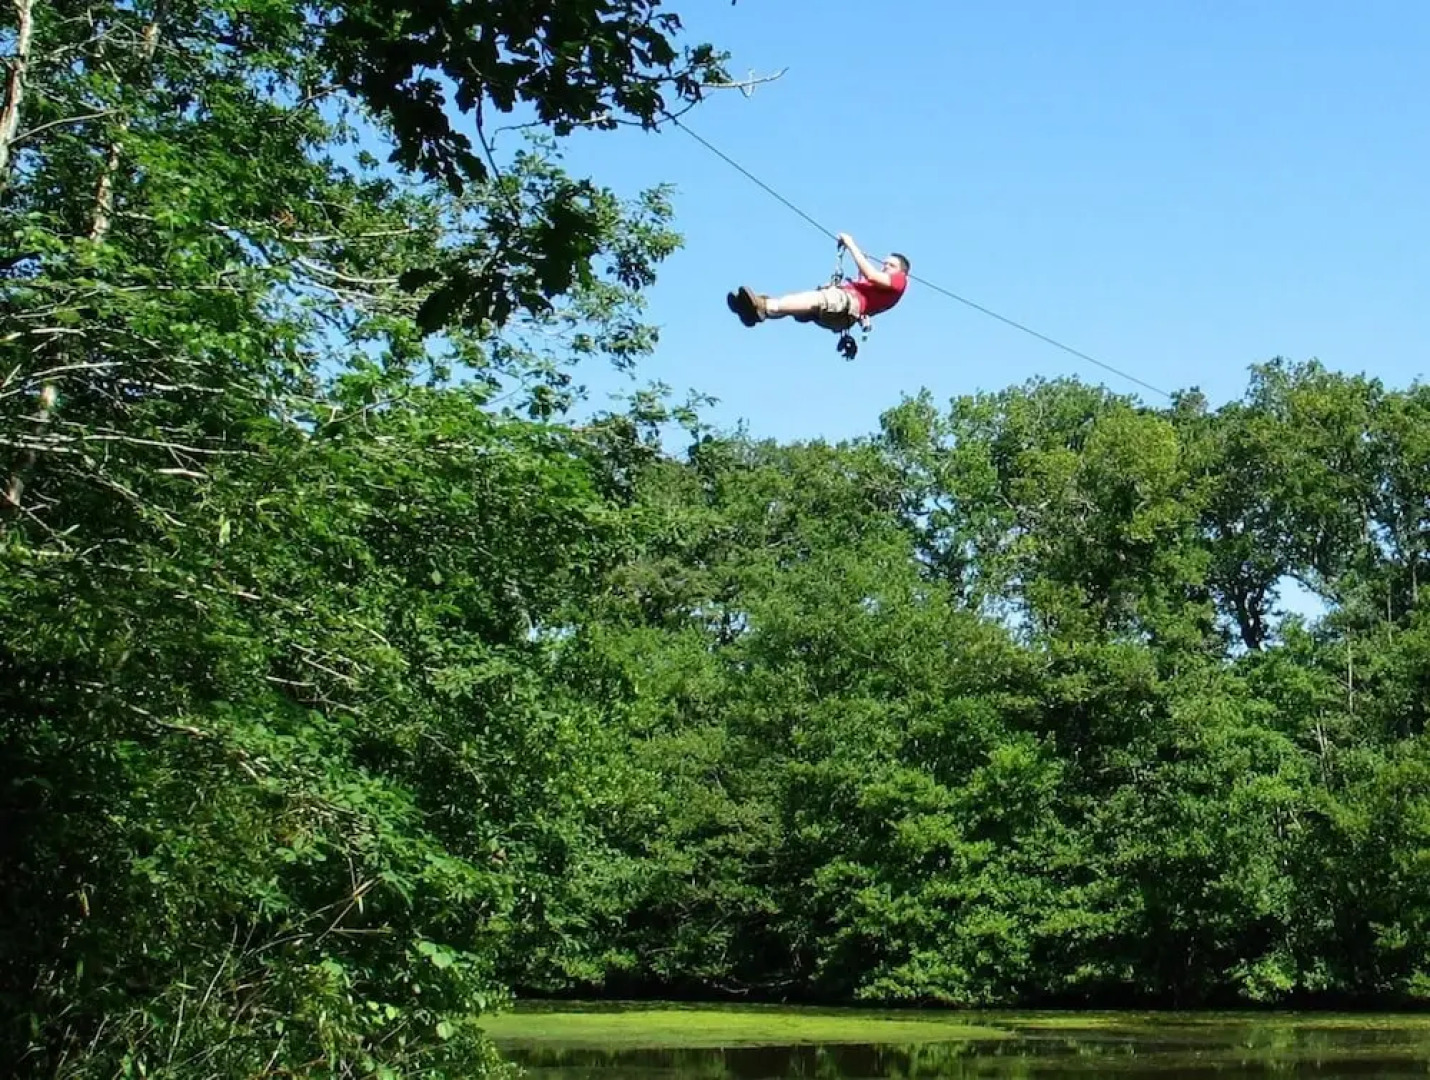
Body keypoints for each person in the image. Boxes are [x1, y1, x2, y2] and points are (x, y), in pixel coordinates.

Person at [727, 233, 910, 332]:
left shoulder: (900, 280)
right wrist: (858, 254)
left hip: (846, 303)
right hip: (843, 314)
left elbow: (870, 274)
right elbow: (866, 273)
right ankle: (755, 311)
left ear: (902, 270)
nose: (885, 266)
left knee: (811, 299)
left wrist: (851, 244)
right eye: (884, 263)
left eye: (890, 265)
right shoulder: (882, 290)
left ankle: (763, 305)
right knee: (798, 304)